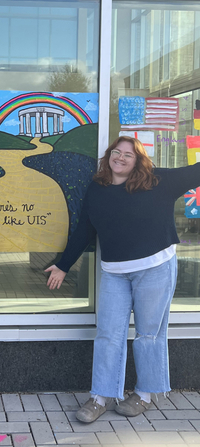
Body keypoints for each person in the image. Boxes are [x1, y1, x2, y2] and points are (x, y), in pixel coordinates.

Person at [45, 136, 200, 423]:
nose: (121, 157)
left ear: (138, 160)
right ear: (109, 156)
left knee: (148, 335)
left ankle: (143, 394)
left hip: (156, 268)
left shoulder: (158, 181)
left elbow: (196, 171)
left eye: (129, 154)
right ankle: (100, 397)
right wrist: (63, 266)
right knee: (107, 334)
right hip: (115, 273)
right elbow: (84, 231)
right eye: (116, 152)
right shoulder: (97, 189)